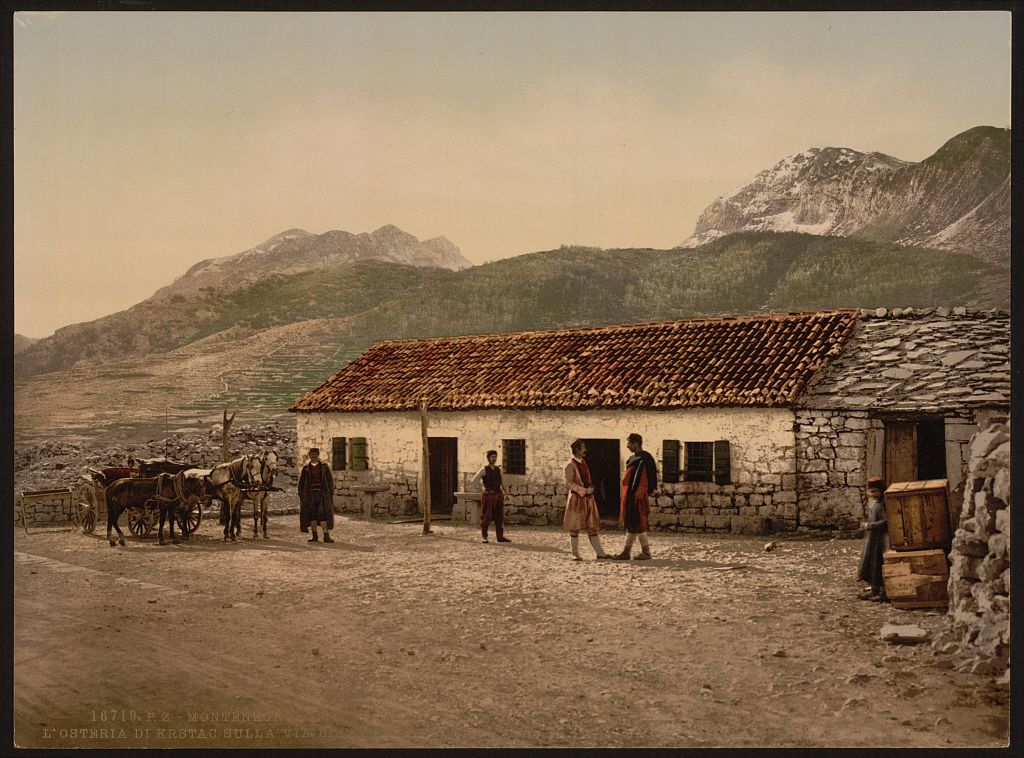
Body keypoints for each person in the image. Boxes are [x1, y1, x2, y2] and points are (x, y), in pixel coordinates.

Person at [563, 439, 611, 561]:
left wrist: (591, 488)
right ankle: (575, 554)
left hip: (588, 500)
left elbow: (587, 480)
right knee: (574, 527)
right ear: (577, 450)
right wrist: (583, 491)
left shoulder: (584, 463)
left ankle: (600, 553)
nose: (585, 450)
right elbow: (569, 483)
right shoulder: (570, 465)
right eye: (583, 448)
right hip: (576, 500)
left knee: (592, 526)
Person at [614, 433, 658, 561]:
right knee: (632, 523)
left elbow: (643, 480)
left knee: (638, 522)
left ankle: (645, 552)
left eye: (629, 443)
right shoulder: (635, 459)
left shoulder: (643, 460)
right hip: (630, 495)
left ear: (636, 444)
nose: (628, 446)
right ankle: (626, 552)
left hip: (636, 496)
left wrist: (636, 497)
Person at [857, 476, 889, 601]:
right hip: (873, 538)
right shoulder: (876, 503)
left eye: (876, 491)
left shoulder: (884, 503)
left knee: (878, 563)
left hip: (881, 539)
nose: (873, 494)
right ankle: (874, 590)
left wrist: (869, 525)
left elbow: (886, 521)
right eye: (872, 491)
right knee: (871, 563)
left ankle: (881, 592)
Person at [472, 450, 511, 543]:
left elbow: (503, 482)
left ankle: (500, 537)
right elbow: (474, 481)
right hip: (488, 496)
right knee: (486, 517)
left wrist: (506, 493)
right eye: (492, 457)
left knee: (499, 517)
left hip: (498, 495)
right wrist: (481, 490)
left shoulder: (499, 470)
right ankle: (484, 537)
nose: (494, 459)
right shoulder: (484, 469)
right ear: (488, 458)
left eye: (495, 457)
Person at [298, 447, 335, 543]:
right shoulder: (305, 469)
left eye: (315, 455)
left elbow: (330, 481)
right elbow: (301, 483)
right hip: (310, 494)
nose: (314, 456)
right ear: (309, 456)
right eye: (312, 455)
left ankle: (326, 536)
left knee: (323, 514)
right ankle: (314, 536)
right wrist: (302, 495)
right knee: (312, 515)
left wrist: (329, 493)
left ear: (318, 456)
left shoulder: (324, 467)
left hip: (322, 493)